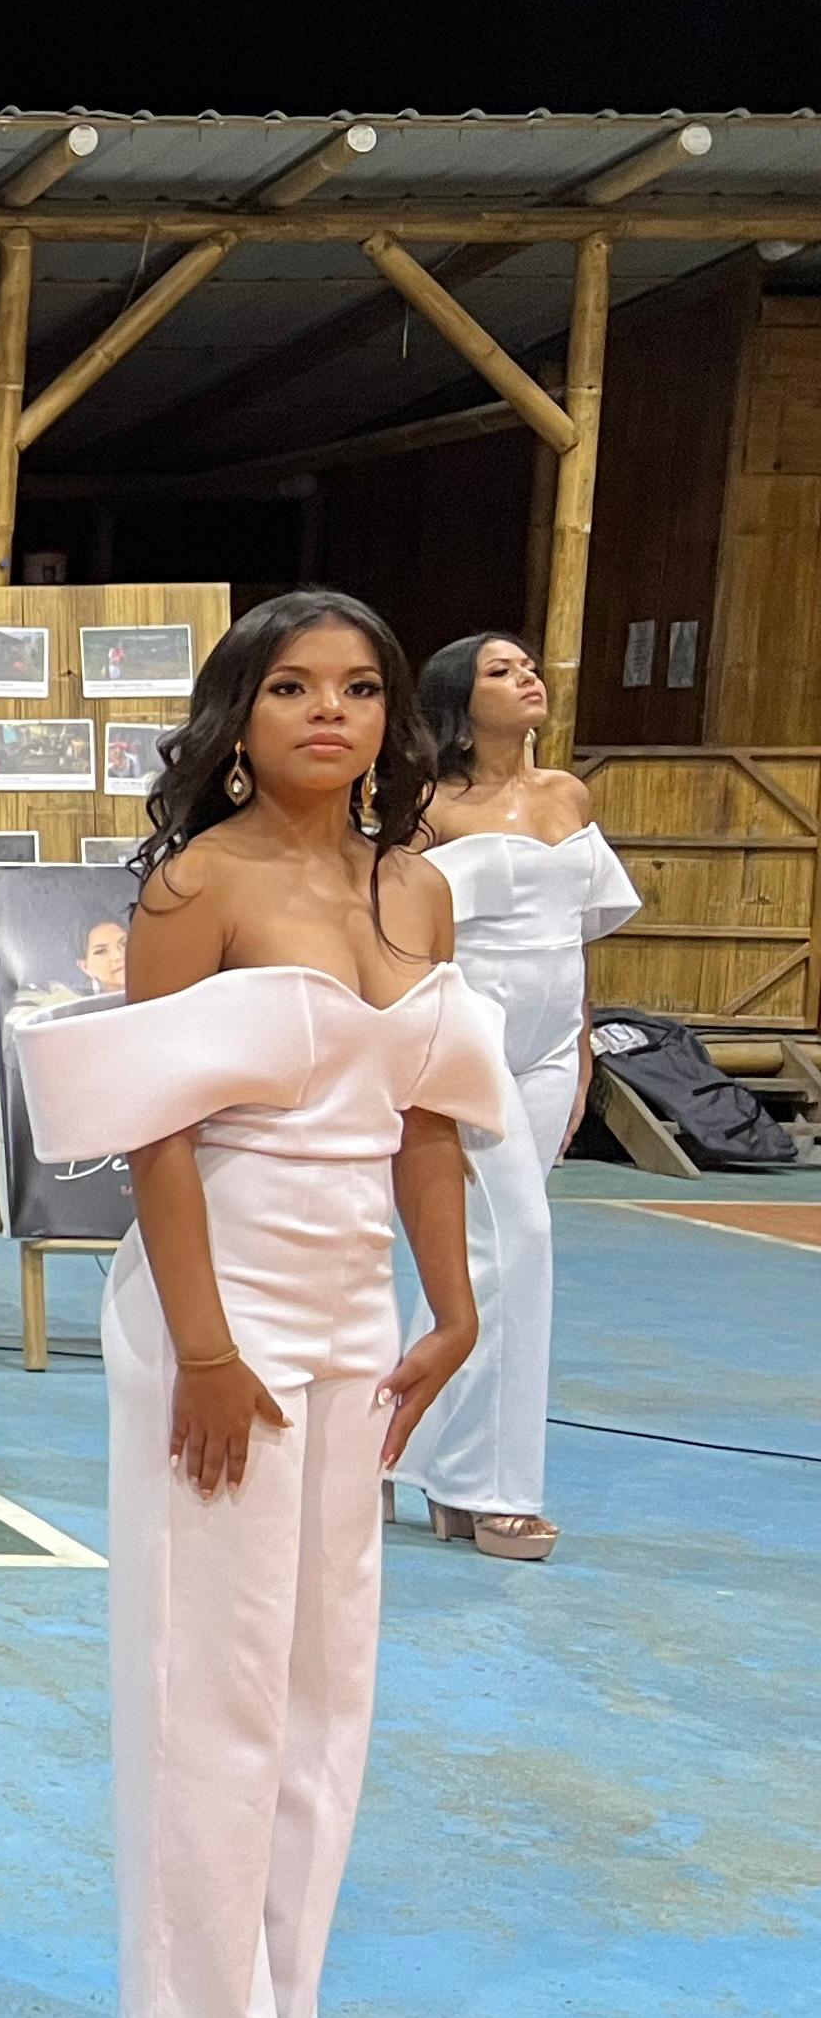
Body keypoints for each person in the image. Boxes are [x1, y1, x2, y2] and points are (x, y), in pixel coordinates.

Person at [16, 590, 507, 2018]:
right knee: (211, 1670)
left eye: (358, 687)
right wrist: (207, 1349)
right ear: (239, 715)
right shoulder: (194, 885)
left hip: (357, 1308)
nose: (328, 713)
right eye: (292, 686)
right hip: (213, 1295)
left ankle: (282, 2004)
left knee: (323, 1674)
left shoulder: (417, 889)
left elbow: (428, 1124)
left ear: (390, 719)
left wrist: (455, 1312)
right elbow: (155, 1133)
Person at [394, 632, 639, 1560]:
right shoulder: (426, 804)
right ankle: (496, 1487)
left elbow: (577, 933)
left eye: (528, 665)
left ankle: (407, 1453)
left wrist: (579, 1047)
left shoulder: (567, 794)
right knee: (521, 1240)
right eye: (502, 670)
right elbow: (398, 931)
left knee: (485, 1255)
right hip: (469, 1025)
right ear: (459, 698)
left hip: (551, 1039)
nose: (527, 676)